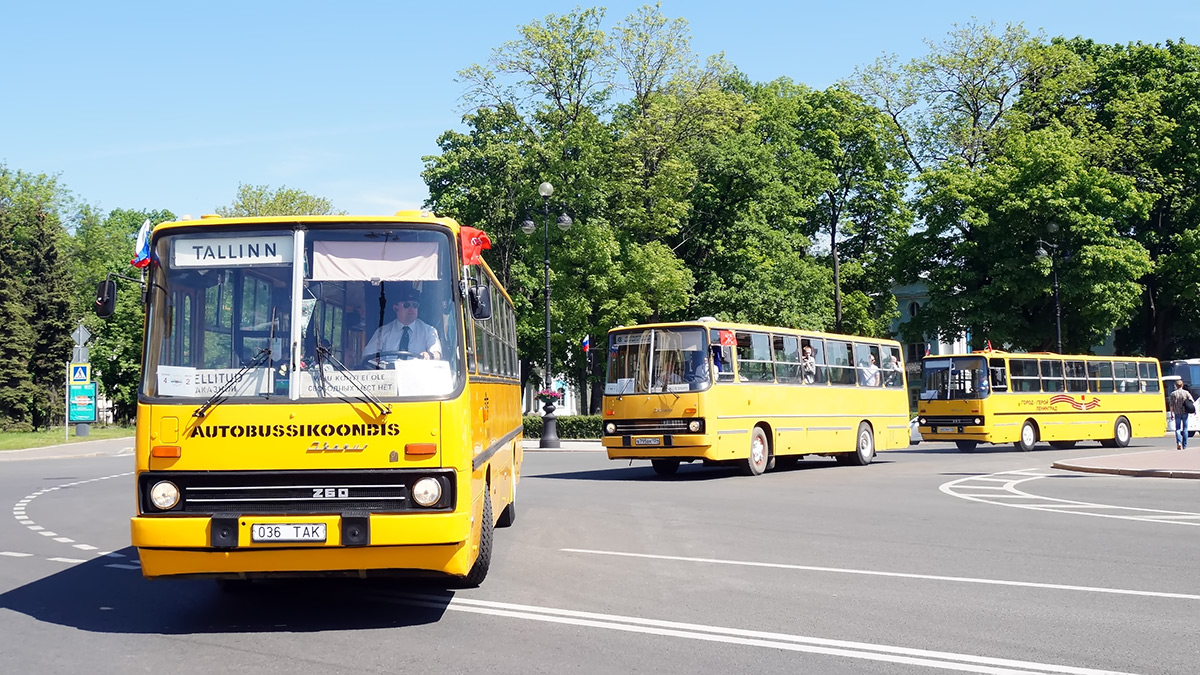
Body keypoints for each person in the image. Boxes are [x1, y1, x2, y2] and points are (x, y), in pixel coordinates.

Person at [362, 286, 442, 363]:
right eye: (406, 305)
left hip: (417, 375)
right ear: (396, 308)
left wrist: (429, 355)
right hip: (389, 375)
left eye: (415, 305)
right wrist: (375, 361)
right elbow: (367, 356)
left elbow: (437, 354)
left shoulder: (429, 331)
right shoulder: (383, 332)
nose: (412, 309)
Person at [1167, 379, 1194, 450]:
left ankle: (1178, 442)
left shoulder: (1173, 394)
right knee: (1185, 428)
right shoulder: (1186, 393)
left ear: (1176, 385)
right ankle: (1184, 445)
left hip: (1177, 413)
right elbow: (1191, 401)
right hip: (1185, 412)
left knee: (1178, 428)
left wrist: (1172, 413)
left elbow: (1171, 405)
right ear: (1182, 385)